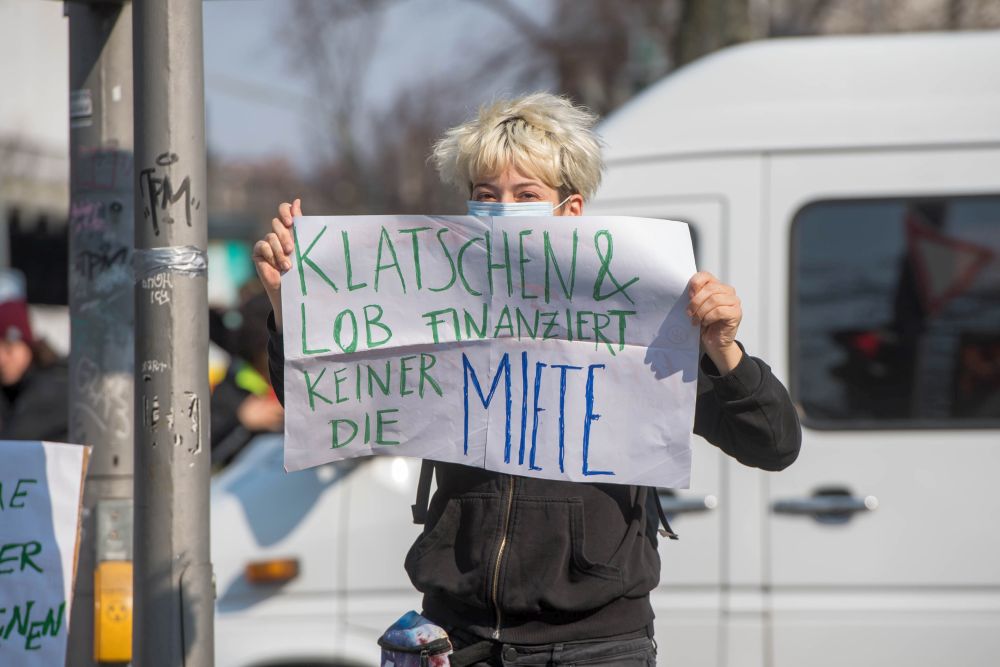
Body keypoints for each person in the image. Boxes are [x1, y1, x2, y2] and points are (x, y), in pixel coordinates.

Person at [253, 92, 801, 666]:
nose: (501, 208)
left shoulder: (636, 316)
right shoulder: (436, 305)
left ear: (569, 210)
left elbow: (774, 443)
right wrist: (288, 305)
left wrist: (721, 350)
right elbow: (328, 406)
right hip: (460, 638)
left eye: (525, 195)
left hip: (595, 647)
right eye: (486, 196)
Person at [0, 282, 68, 442]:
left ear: (29, 347)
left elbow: (12, 441)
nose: (2, 359)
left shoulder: (52, 386)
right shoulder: (10, 389)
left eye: (9, 348)